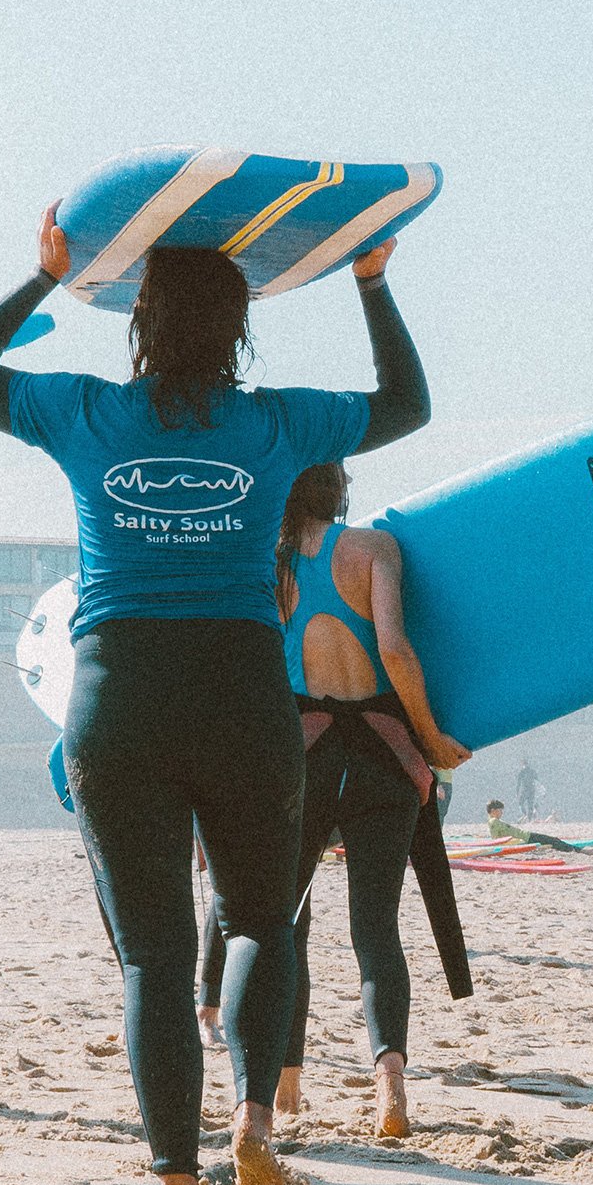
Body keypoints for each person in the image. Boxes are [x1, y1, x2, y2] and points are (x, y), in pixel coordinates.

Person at [0, 206, 430, 1185]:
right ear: (240, 327)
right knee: (259, 919)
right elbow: (406, 406)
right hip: (242, 691)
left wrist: (43, 275)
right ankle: (252, 1123)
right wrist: (371, 282)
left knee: (154, 956)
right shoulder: (276, 424)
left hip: (119, 695)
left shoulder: (83, 412)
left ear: (138, 320)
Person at [200, 462, 473, 1137]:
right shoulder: (375, 548)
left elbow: (247, 669)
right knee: (375, 930)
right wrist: (429, 739)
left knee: (279, 925)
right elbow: (395, 651)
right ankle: (390, 1090)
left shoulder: (267, 563)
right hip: (383, 756)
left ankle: (281, 1087)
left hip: (302, 759)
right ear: (339, 489)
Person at [484, 797, 579, 853]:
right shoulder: (494, 822)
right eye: (500, 810)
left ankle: (575, 849)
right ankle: (577, 850)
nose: (502, 813)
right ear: (493, 810)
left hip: (527, 836)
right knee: (553, 841)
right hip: (527, 838)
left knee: (553, 841)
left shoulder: (494, 822)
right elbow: (496, 841)